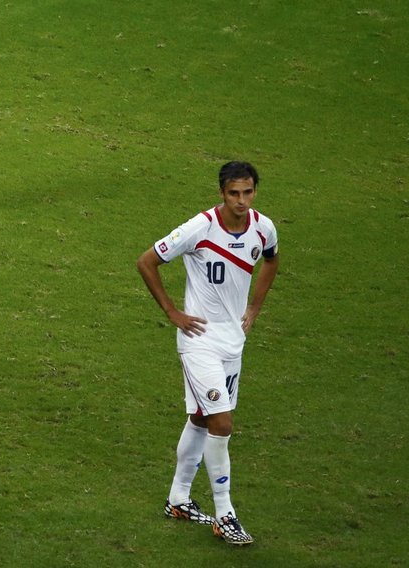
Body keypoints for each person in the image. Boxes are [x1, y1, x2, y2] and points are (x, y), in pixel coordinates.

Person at [136, 160, 280, 546]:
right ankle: (225, 513)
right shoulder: (200, 228)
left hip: (233, 342)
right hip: (198, 340)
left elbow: (271, 260)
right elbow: (147, 261)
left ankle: (178, 500)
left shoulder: (263, 228)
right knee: (222, 423)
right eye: (233, 193)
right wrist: (172, 312)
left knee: (201, 419)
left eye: (247, 192)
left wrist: (254, 309)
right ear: (221, 193)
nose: (241, 200)